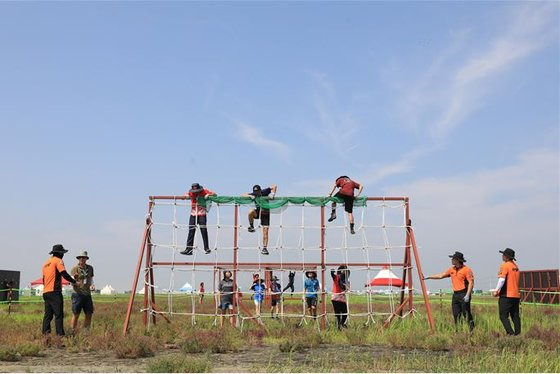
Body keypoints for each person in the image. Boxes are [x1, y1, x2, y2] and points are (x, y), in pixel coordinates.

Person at [424, 251, 475, 331]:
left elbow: (471, 282)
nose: (452, 260)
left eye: (453, 259)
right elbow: (441, 275)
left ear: (458, 260)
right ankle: (458, 331)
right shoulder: (452, 269)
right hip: (455, 295)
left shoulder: (466, 270)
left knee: (466, 314)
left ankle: (472, 330)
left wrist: (468, 295)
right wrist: (429, 277)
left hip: (464, 294)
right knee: (456, 314)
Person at [41, 244, 77, 337]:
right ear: (59, 253)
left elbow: (44, 280)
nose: (63, 255)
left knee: (48, 316)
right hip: (55, 292)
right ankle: (60, 337)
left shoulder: (46, 263)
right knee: (59, 315)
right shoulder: (58, 261)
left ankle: (46, 337)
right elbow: (64, 274)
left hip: (46, 292)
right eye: (62, 253)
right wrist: (74, 282)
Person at [180, 183, 216, 255]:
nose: (196, 193)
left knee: (203, 230)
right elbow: (184, 196)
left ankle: (206, 248)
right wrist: (184, 197)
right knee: (191, 231)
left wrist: (208, 195)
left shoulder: (204, 191)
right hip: (193, 214)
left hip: (202, 214)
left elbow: (215, 194)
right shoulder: (191, 193)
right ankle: (189, 249)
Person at [492, 248, 521, 336]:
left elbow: (502, 280)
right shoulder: (515, 266)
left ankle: (511, 334)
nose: (502, 256)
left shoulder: (505, 266)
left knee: (503, 316)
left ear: (506, 257)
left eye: (503, 255)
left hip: (506, 295)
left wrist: (496, 290)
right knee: (515, 316)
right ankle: (518, 334)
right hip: (516, 295)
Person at [243, 184, 278, 255]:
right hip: (258, 212)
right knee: (250, 212)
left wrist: (273, 194)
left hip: (265, 213)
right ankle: (251, 226)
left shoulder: (264, 191)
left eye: (257, 192)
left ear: (260, 191)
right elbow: (243, 194)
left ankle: (265, 248)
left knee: (265, 232)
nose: (256, 194)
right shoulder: (254, 194)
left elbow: (274, 186)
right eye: (255, 192)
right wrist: (250, 196)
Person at [70, 251, 95, 334]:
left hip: (87, 294)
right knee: (76, 314)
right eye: (80, 257)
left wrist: (92, 285)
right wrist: (75, 279)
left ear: (86, 259)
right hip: (77, 294)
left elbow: (91, 279)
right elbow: (71, 282)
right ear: (78, 259)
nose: (82, 259)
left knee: (89, 313)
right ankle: (72, 332)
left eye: (83, 257)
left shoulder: (90, 268)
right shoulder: (75, 269)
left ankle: (86, 333)